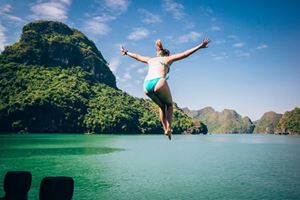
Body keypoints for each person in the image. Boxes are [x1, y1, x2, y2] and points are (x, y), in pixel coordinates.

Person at [120, 38, 210, 140]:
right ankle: (169, 128)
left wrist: (126, 52)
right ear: (166, 55)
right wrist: (200, 46)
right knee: (170, 105)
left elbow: (137, 57)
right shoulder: (167, 59)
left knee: (162, 106)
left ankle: (164, 129)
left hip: (146, 85)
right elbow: (185, 54)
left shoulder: (150, 59)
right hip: (159, 82)